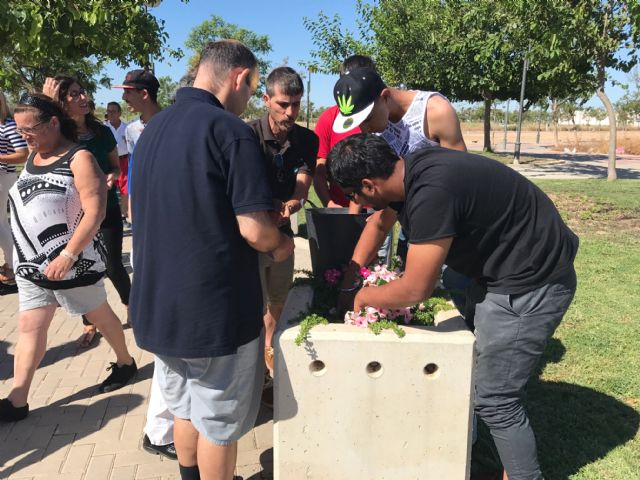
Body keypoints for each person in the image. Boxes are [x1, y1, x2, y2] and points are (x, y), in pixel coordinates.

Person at [328, 134, 579, 480]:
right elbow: (380, 223)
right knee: (479, 372)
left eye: (353, 195)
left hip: (530, 283)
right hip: (508, 266)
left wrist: (364, 297)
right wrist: (351, 276)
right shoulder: (409, 170)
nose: (356, 203)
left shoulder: (431, 194)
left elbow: (417, 288)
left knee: (496, 399)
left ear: (369, 185)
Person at [130, 39, 294, 480]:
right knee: (218, 424)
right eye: (252, 88)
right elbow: (254, 230)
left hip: (159, 305)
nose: (248, 99)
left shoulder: (152, 130)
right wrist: (282, 245)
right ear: (239, 77)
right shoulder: (230, 131)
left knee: (184, 408)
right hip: (213, 311)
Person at [0, 94, 138, 422]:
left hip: (72, 266)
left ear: (53, 123)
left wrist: (68, 255)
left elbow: (95, 212)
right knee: (30, 326)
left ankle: (125, 361)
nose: (23, 136)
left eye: (29, 129)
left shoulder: (80, 158)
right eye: (19, 130)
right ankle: (18, 398)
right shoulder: (33, 155)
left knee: (101, 316)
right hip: (32, 266)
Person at [331, 67, 469, 301]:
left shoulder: (435, 112)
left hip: (450, 224)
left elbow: (462, 179)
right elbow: (383, 214)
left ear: (384, 97)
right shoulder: (377, 131)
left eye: (367, 119)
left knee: (455, 287)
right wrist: (352, 274)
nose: (365, 130)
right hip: (413, 220)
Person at [113, 69, 176, 460]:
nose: (125, 99)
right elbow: (133, 180)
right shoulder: (136, 132)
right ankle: (160, 430)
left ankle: (162, 428)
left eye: (130, 92)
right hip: (155, 241)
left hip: (163, 238)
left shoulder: (167, 125)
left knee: (169, 345)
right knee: (169, 343)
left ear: (146, 93)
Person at [44, 76, 132, 347]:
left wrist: (111, 176)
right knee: (80, 269)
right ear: (61, 102)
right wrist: (47, 103)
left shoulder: (102, 132)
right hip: (73, 216)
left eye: (82, 92)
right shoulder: (58, 135)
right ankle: (89, 321)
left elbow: (115, 166)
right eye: (73, 94)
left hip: (107, 208)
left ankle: (133, 308)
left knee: (114, 265)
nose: (83, 97)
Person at [248, 66, 318, 394]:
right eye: (283, 104)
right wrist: (267, 206)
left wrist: (292, 203)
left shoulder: (307, 139)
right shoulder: (247, 136)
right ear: (266, 100)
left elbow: (303, 182)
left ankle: (270, 350)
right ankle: (255, 368)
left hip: (283, 233)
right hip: (250, 235)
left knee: (278, 297)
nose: (290, 112)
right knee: (253, 301)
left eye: (296, 104)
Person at [313, 56, 378, 213]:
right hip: (340, 210)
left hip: (377, 212)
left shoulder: (382, 117)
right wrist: (329, 204)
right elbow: (319, 172)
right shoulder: (329, 118)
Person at [0, 92, 28, 283]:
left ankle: (12, 266)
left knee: (1, 224)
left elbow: (22, 154)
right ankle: (11, 263)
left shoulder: (8, 125)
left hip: (3, 175)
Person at [104, 102, 130, 224]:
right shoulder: (103, 128)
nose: (111, 114)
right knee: (109, 188)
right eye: (109, 111)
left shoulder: (127, 128)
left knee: (125, 189)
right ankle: (108, 216)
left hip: (124, 161)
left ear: (119, 113)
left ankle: (124, 215)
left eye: (114, 111)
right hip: (108, 162)